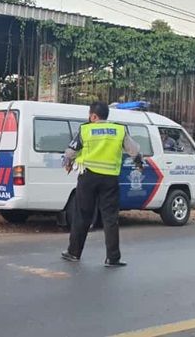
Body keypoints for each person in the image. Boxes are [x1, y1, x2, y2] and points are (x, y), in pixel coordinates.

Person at [61, 101, 142, 267]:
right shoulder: (119, 130)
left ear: (93, 116)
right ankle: (113, 258)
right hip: (110, 179)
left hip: (88, 177)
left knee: (82, 215)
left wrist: (67, 163)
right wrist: (139, 164)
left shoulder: (85, 129)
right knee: (110, 218)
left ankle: (74, 253)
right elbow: (134, 151)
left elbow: (70, 151)